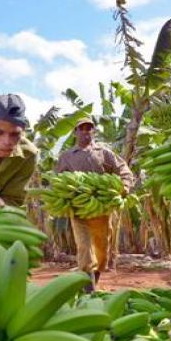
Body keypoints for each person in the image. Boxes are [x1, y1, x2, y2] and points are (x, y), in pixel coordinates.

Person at [56, 116, 134, 290]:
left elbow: (122, 169)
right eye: (81, 128)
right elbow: (57, 179)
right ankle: (88, 286)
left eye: (88, 128)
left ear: (94, 131)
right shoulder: (67, 156)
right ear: (75, 132)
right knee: (84, 247)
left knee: (102, 250)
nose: (85, 132)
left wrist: (125, 185)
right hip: (79, 210)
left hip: (101, 208)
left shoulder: (103, 152)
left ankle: (95, 274)